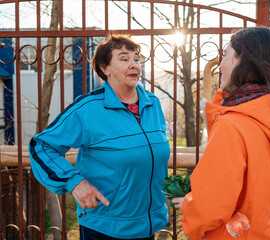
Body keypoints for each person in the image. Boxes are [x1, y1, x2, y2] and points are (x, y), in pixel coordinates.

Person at [172, 27, 270, 239]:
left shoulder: (232, 124)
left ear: (242, 62)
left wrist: (191, 206)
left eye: (226, 55)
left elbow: (212, 204)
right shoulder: (269, 116)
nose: (220, 65)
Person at [29, 34, 170, 240]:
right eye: (124, 59)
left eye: (136, 59)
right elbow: (41, 147)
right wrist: (75, 182)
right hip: (105, 227)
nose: (134, 65)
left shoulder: (153, 103)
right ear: (105, 68)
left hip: (149, 224)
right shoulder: (87, 108)